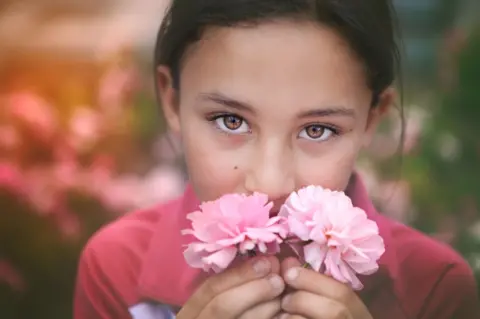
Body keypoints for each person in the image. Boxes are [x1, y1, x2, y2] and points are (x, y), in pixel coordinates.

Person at [73, 0, 480, 318]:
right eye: (230, 120)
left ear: (373, 118)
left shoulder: (435, 289)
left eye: (317, 129)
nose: (270, 183)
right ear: (172, 99)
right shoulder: (118, 270)